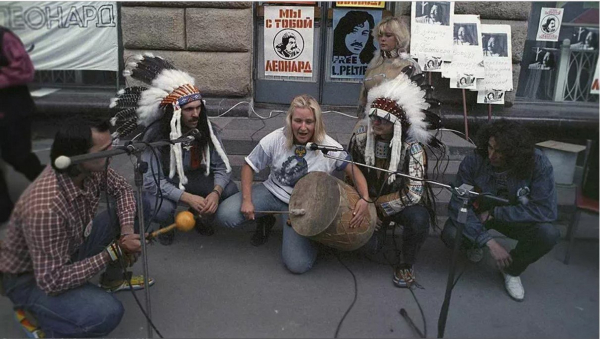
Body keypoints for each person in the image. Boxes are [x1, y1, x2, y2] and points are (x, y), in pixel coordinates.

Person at [0, 116, 153, 337]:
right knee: (106, 312)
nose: (112, 153)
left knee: (139, 204)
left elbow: (122, 189)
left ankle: (112, 280)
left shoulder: (91, 168)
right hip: (33, 279)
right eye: (104, 149)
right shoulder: (45, 207)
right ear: (77, 157)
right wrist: (115, 251)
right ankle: (37, 314)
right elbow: (53, 281)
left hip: (70, 248)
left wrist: (127, 231)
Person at [215, 94, 371, 274]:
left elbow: (352, 168)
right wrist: (247, 200)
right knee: (225, 215)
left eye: (309, 122)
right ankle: (266, 218)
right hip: (272, 192)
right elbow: (248, 166)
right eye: (298, 121)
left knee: (298, 265)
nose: (303, 127)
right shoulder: (275, 138)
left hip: (304, 207)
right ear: (290, 120)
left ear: (316, 123)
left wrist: (365, 198)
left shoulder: (328, 146)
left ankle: (313, 236)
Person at [109, 54, 237, 246]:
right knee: (161, 207)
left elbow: (223, 167)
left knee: (229, 188)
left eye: (198, 108)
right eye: (188, 109)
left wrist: (215, 193)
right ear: (175, 111)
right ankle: (166, 224)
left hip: (191, 176)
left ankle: (199, 216)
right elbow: (152, 181)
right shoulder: (156, 135)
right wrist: (187, 198)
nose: (195, 114)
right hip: (166, 181)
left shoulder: (206, 129)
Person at [441, 119, 560, 302]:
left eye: (500, 152)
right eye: (490, 147)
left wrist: (497, 213)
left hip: (515, 216)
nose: (492, 156)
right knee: (451, 233)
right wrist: (487, 241)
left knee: (548, 233)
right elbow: (458, 204)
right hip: (480, 213)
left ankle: (511, 269)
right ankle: (474, 244)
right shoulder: (474, 160)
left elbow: (545, 211)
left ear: (515, 154)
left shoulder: (538, 163)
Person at [349, 69, 442, 288]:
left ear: (398, 124)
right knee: (369, 249)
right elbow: (351, 172)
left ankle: (406, 263)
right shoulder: (361, 139)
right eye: (373, 117)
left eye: (383, 119)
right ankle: (374, 233)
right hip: (367, 199)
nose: (375, 123)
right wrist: (365, 204)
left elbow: (414, 194)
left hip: (398, 205)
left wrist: (378, 208)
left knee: (419, 219)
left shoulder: (414, 149)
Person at [0, 26, 44, 223]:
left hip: (13, 110)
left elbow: (25, 70)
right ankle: (3, 212)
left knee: (18, 157)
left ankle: (57, 184)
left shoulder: (4, 37)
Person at [356, 16, 421, 119]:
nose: (382, 39)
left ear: (399, 38)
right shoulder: (374, 63)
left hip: (397, 123)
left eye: (388, 35)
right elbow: (363, 99)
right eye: (380, 35)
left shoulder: (409, 65)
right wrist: (360, 124)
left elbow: (417, 104)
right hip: (371, 121)